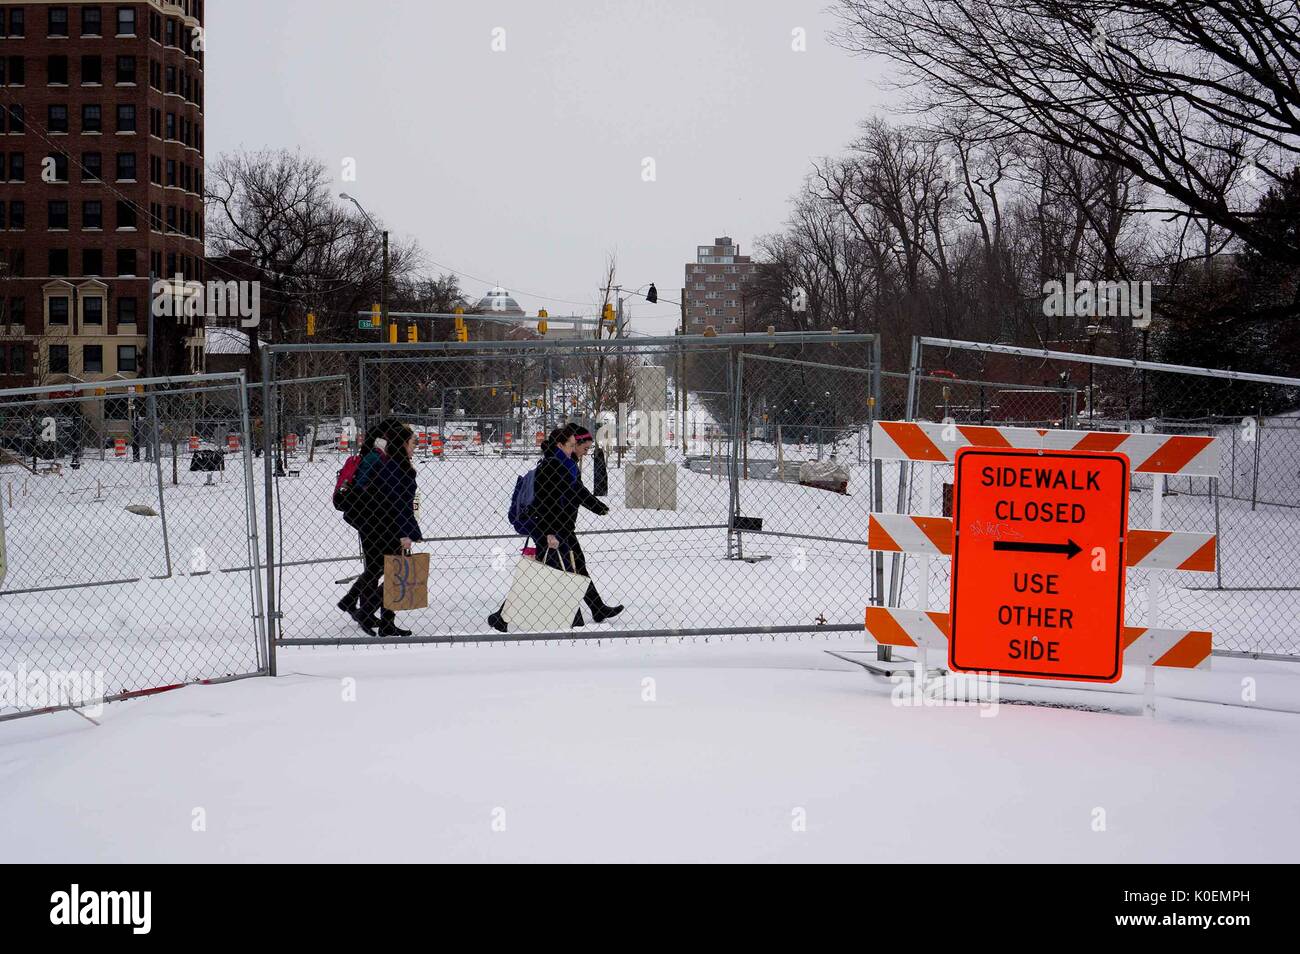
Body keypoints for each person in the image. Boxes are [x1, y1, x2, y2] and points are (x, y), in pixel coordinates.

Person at [490, 423, 622, 631]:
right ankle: (504, 617)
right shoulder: (554, 465)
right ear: (561, 445)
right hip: (551, 528)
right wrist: (550, 532)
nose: (576, 450)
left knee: (563, 568)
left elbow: (570, 492)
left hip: (558, 526)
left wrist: (596, 507)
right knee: (554, 572)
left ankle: (590, 610)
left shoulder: (561, 463)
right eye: (573, 445)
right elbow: (548, 501)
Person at [338, 418, 422, 637]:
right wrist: (407, 534)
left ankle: (382, 619)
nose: (415, 448)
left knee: (386, 570)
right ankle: (367, 612)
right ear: (402, 444)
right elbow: (401, 505)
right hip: (386, 527)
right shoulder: (396, 469)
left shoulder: (390, 464)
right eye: (413, 444)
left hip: (380, 525)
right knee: (397, 572)